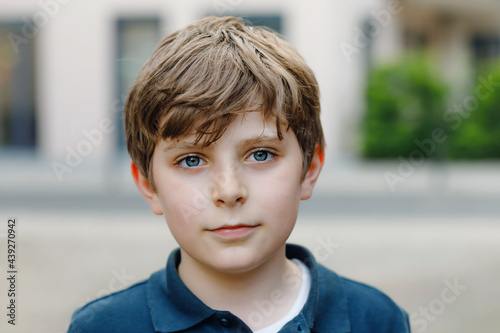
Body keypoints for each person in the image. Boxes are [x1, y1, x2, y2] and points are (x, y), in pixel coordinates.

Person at [68, 16, 410, 332]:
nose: (229, 191)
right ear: (148, 184)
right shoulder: (102, 327)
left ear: (310, 168)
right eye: (191, 160)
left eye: (260, 154)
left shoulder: (378, 319)